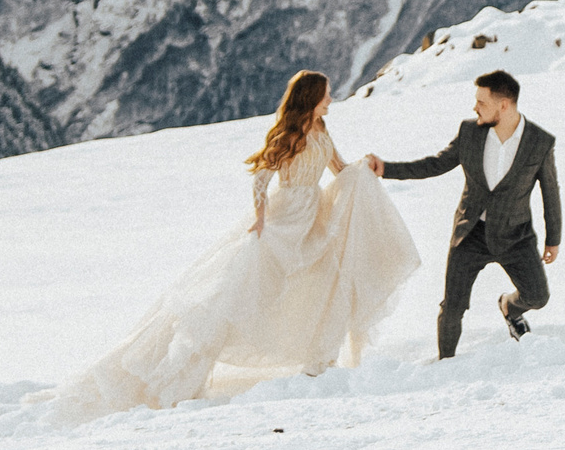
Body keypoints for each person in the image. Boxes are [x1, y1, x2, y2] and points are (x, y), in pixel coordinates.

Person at [34, 70, 420, 424]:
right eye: (326, 95)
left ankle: (319, 356)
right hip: (286, 217)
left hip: (312, 219)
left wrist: (362, 168)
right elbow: (261, 177)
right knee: (236, 291)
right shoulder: (290, 134)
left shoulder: (321, 129)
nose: (331, 100)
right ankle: (178, 372)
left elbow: (338, 170)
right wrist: (261, 217)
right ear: (311, 97)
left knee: (323, 279)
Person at [366, 69, 560, 356]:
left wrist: (553, 239)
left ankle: (509, 307)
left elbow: (550, 192)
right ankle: (445, 362)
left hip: (515, 236)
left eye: (481, 102)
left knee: (538, 296)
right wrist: (387, 169)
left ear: (503, 105)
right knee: (452, 307)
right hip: (470, 234)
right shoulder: (470, 132)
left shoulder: (540, 142)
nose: (474, 108)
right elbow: (435, 164)